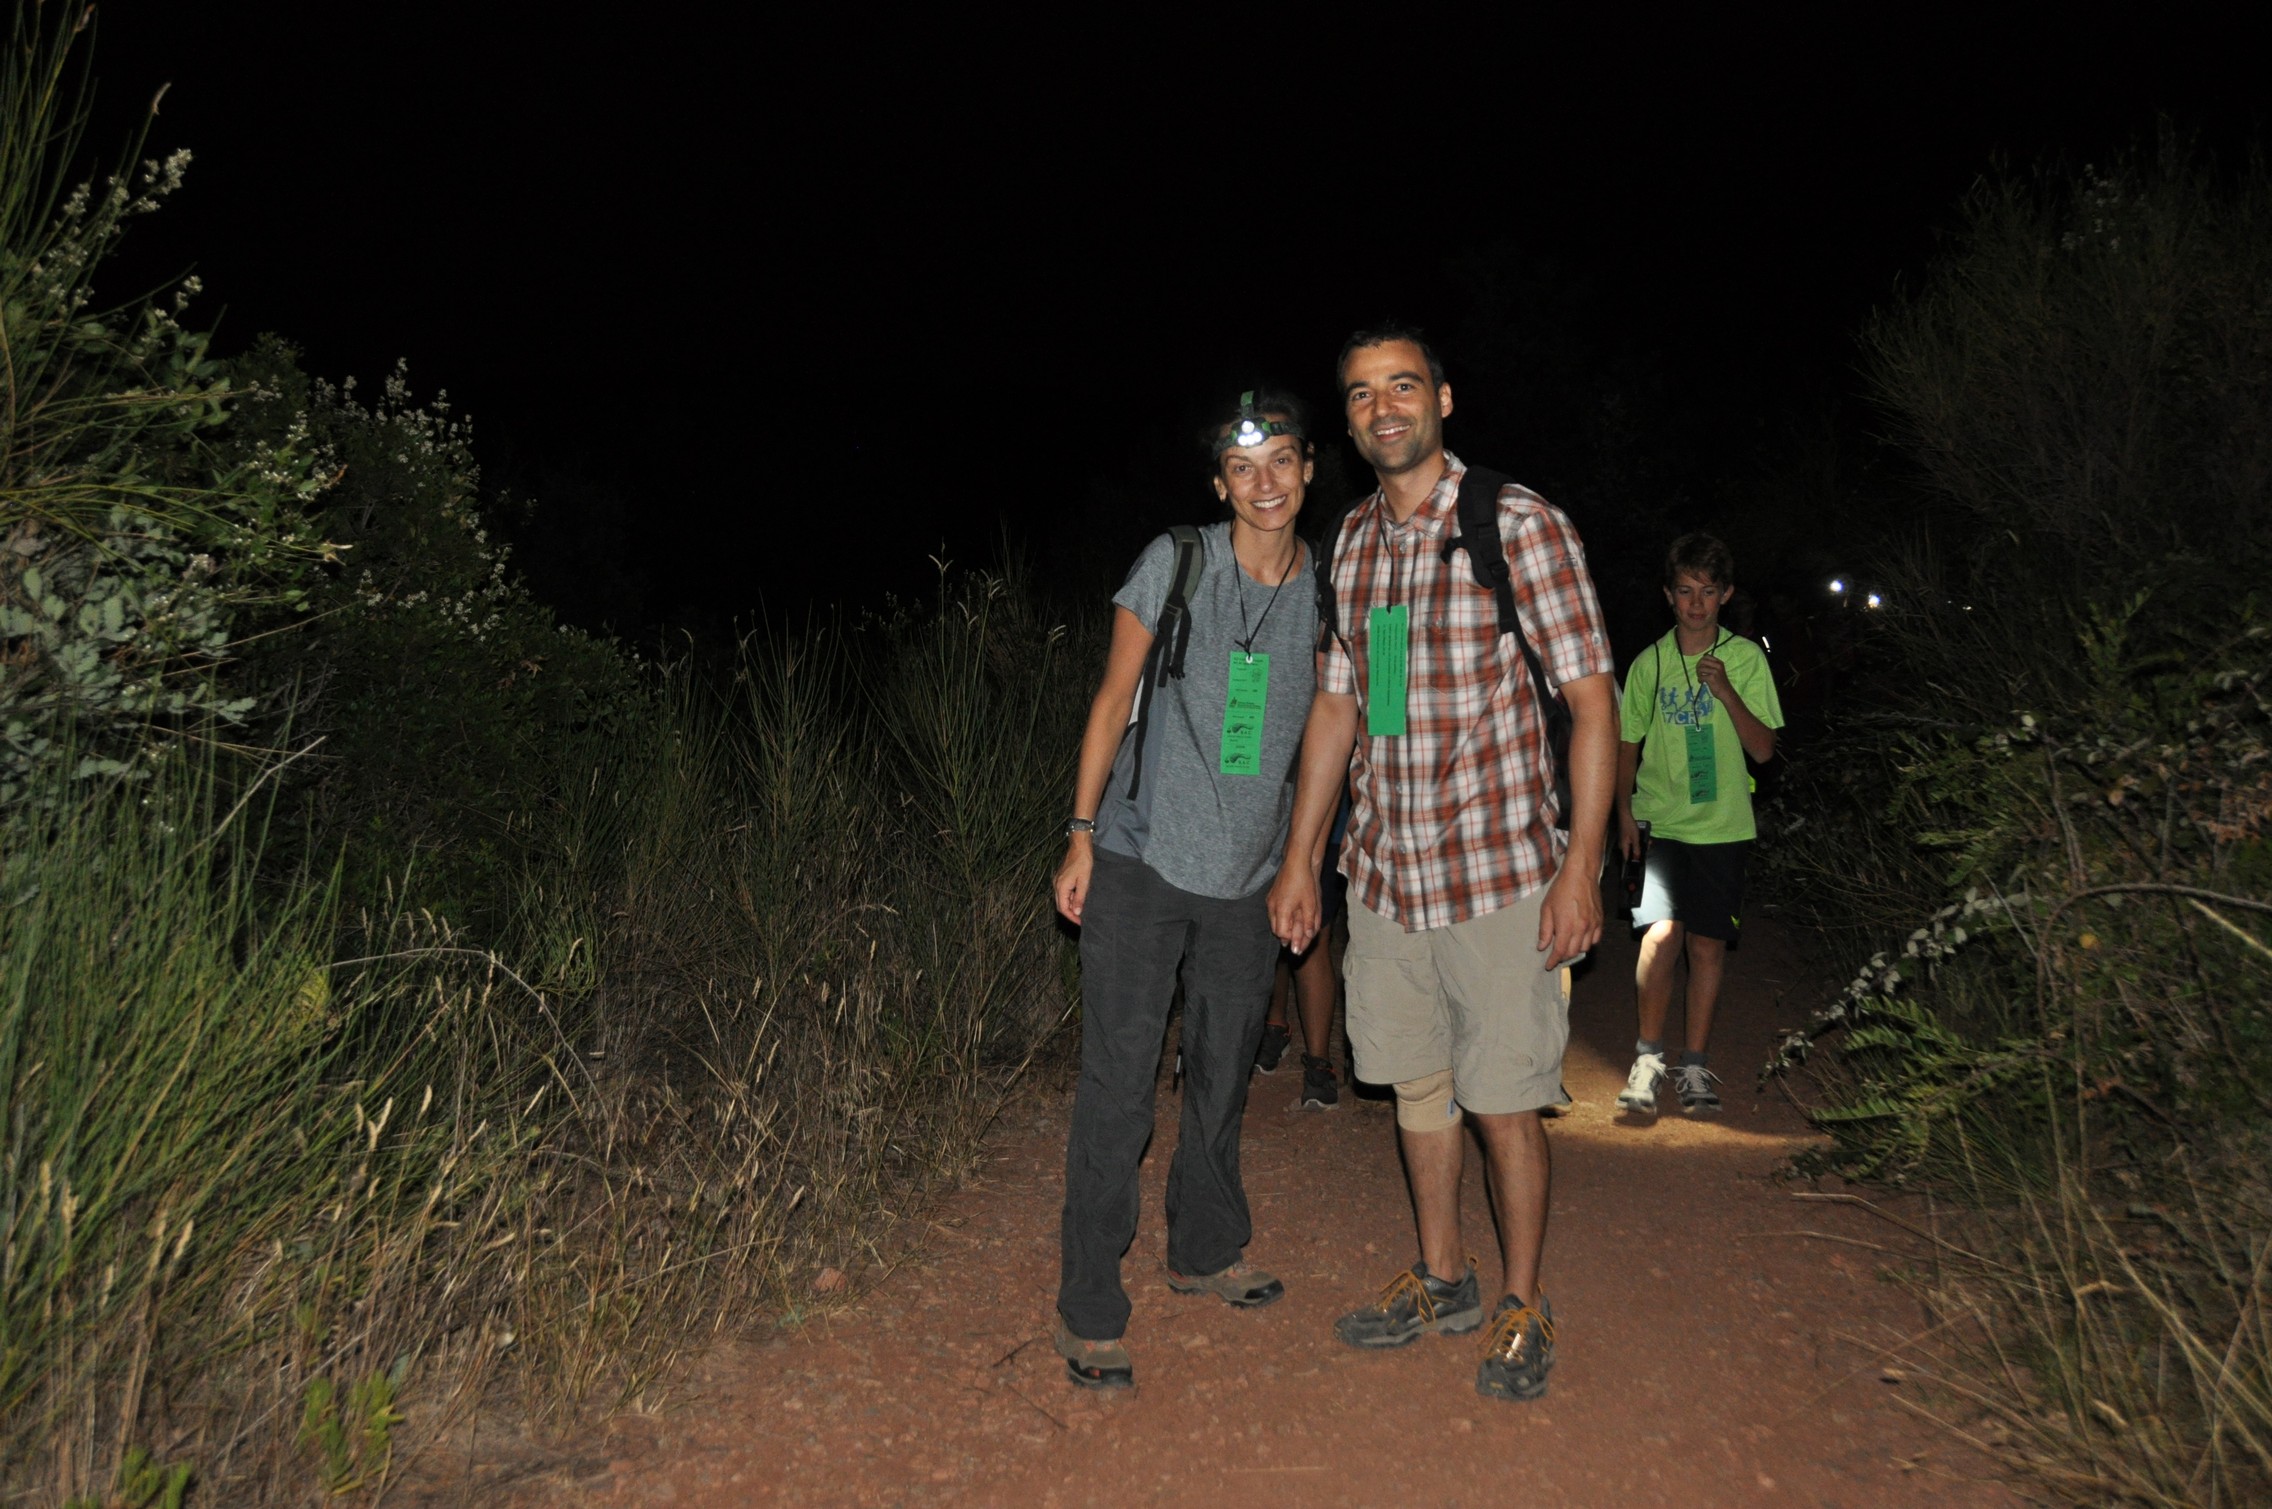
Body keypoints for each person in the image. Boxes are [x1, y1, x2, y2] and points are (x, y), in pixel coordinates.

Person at [1270, 328, 1617, 1404]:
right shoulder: (1351, 543)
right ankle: (1444, 1277)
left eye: (1402, 386)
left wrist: (1581, 868)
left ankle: (1523, 1301)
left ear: (1444, 399)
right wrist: (1303, 859)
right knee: (1416, 1084)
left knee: (1502, 1097)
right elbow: (1344, 706)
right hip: (1384, 876)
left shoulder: (1514, 523)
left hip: (1497, 871)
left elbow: (1591, 701)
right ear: (1348, 420)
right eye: (1361, 394)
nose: (1383, 407)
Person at [1049, 389, 1322, 1390]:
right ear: (1220, 484)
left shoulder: (1332, 591)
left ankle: (1204, 1249)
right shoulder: (1177, 561)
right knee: (1120, 1089)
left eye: (1282, 462)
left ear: (1308, 470)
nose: (1265, 483)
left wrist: (1304, 859)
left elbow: (1346, 727)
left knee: (1220, 1075)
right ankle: (1089, 1307)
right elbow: (1111, 699)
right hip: (1140, 861)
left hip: (1250, 880)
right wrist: (1080, 836)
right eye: (1243, 468)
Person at [1613, 533, 1783, 1116]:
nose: (1696, 603)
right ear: (1668, 594)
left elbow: (1763, 749)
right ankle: (1648, 1059)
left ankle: (1693, 1065)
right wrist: (1623, 814)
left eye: (1708, 592)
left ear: (1726, 595)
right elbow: (1626, 745)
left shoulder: (1746, 658)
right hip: (1660, 823)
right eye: (1685, 591)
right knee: (1660, 936)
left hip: (1722, 827)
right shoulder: (1650, 663)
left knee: (1707, 945)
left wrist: (1725, 690)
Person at [1254, 786, 1350, 1109]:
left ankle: (1319, 1064)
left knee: (1311, 932)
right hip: (1269, 817)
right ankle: (1275, 1026)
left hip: (1327, 822)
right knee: (1273, 925)